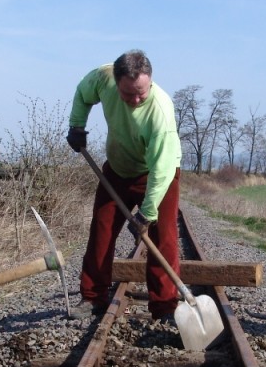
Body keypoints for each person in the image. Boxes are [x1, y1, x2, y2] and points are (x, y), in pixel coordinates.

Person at [66, 49, 182, 321]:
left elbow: (161, 170)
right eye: (128, 94)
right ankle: (92, 297)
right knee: (102, 231)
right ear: (116, 83)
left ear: (150, 80)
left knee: (163, 239)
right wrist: (76, 127)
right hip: (117, 170)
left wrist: (147, 213)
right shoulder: (103, 78)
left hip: (158, 175)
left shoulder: (160, 111)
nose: (136, 98)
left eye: (142, 91)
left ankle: (164, 307)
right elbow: (83, 94)